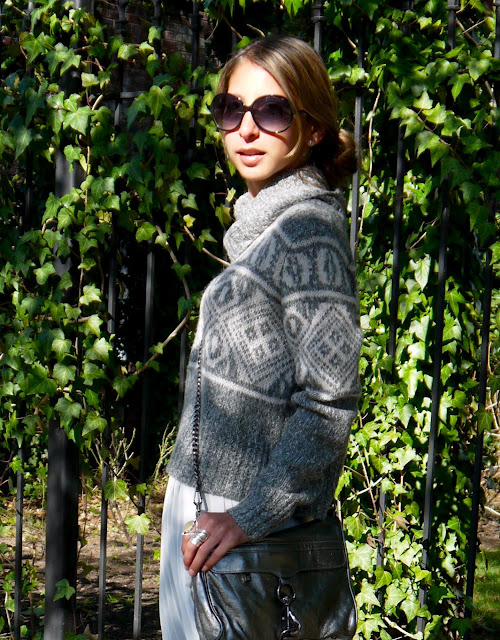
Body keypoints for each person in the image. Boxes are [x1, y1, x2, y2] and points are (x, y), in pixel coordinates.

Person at [159, 34, 362, 640]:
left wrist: (250, 516)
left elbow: (329, 403)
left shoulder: (308, 235)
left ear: (314, 127)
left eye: (272, 111)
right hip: (207, 511)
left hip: (244, 528)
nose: (246, 129)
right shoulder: (263, 228)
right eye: (232, 109)